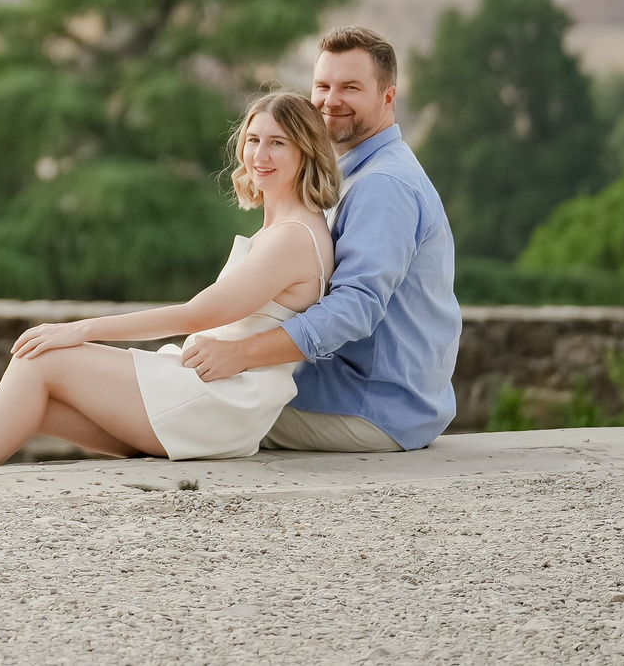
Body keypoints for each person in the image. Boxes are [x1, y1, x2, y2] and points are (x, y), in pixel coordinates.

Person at [0, 90, 341, 467]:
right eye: (253, 140)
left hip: (218, 403)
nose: (259, 155)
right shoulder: (284, 227)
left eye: (277, 143)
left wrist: (80, 329)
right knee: (34, 403)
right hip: (208, 393)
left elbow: (198, 315)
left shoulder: (293, 237)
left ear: (305, 151)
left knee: (42, 358)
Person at [185, 24, 462, 453]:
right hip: (368, 396)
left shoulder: (382, 185)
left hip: (370, 408)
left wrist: (239, 355)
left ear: (388, 97)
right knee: (168, 393)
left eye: (350, 87)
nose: (331, 101)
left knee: (186, 406)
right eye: (322, 85)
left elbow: (355, 307)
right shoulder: (356, 172)